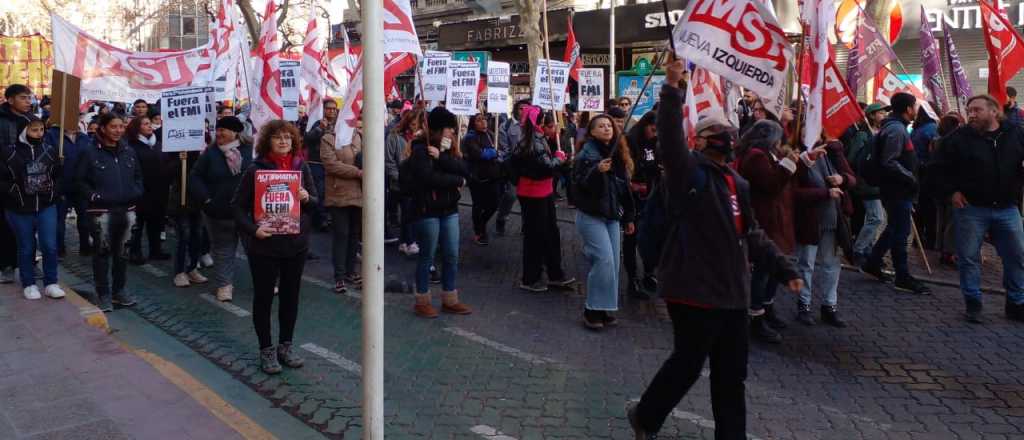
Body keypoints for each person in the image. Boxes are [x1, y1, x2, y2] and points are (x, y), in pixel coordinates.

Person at [627, 58, 802, 439]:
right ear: (700, 141)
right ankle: (645, 415)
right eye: (715, 130)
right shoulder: (687, 172)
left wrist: (783, 268)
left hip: (733, 294)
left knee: (731, 374)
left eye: (727, 129)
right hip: (692, 290)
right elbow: (670, 141)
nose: (725, 133)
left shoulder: (736, 182)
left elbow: (751, 233)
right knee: (688, 364)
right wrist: (673, 88)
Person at [232, 120, 317, 375]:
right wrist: (254, 230)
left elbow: (316, 203)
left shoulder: (301, 168)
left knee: (291, 298)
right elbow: (236, 207)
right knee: (264, 298)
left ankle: (286, 346)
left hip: (295, 245)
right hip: (265, 246)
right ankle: (266, 349)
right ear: (267, 140)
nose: (283, 142)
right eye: (278, 138)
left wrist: (306, 198)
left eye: (288, 138)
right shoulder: (255, 170)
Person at [933, 94, 1024, 324]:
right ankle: (973, 301)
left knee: (1016, 255)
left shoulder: (1015, 133)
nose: (971, 114)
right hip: (971, 208)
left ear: (994, 111)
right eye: (969, 110)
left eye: (977, 110)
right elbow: (937, 168)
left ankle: (1016, 302)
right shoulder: (958, 138)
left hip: (1007, 207)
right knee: (968, 257)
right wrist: (952, 191)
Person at [402, 107, 472, 318]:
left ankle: (450, 298)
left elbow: (463, 168)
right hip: (428, 211)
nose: (452, 132)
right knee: (427, 256)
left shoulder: (446, 149)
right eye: (449, 128)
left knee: (451, 255)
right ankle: (422, 300)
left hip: (449, 209)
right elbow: (429, 179)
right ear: (438, 130)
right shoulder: (420, 149)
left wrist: (442, 157)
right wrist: (457, 181)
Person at [733, 119, 799, 343]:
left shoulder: (762, 154)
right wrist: (788, 164)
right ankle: (756, 314)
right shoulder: (756, 156)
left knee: (769, 268)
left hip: (773, 218)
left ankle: (766, 307)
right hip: (765, 219)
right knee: (763, 269)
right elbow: (771, 184)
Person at [860, 92, 931, 295]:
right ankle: (902, 276)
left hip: (898, 188)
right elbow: (889, 161)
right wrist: (910, 177)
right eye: (914, 106)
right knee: (901, 233)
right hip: (897, 189)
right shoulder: (896, 130)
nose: (916, 110)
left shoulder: (895, 127)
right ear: (908, 109)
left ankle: (873, 263)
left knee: (894, 228)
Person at [74, 113, 144, 312]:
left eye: (121, 126)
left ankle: (119, 290)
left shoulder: (129, 151)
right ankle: (103, 293)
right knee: (102, 253)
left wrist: (136, 192)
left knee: (122, 254)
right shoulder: (89, 152)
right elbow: (79, 181)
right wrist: (94, 196)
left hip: (127, 210)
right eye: (114, 126)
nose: (118, 130)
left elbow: (138, 176)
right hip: (101, 212)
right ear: (103, 128)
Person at [573, 112, 636, 329]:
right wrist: (596, 172)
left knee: (613, 264)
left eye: (609, 125)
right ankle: (592, 310)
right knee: (604, 260)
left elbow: (624, 190)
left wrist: (629, 216)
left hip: (611, 216)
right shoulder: (586, 155)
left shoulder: (618, 153)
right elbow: (577, 187)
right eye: (601, 126)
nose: (607, 128)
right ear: (591, 131)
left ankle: (605, 307)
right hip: (591, 215)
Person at [511, 107, 574, 293]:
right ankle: (531, 277)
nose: (554, 128)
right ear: (540, 125)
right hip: (533, 194)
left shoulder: (538, 139)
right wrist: (558, 158)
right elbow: (547, 166)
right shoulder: (532, 142)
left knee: (550, 234)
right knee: (536, 237)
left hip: (543, 192)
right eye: (551, 125)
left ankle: (554, 274)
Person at [0, 119, 65, 300]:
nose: (39, 133)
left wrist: (54, 192)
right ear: (23, 131)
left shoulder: (50, 150)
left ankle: (51, 282)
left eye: (41, 129)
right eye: (34, 130)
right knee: (26, 247)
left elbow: (59, 176)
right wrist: (14, 191)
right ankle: (28, 283)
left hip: (46, 206)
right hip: (19, 208)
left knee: (50, 246)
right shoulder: (9, 153)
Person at [793, 140, 856, 327]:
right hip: (809, 219)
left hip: (832, 218)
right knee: (806, 263)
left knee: (832, 264)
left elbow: (852, 179)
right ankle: (803, 304)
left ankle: (829, 305)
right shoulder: (798, 153)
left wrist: (842, 179)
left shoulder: (832, 151)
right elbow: (794, 192)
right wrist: (824, 193)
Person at [189, 116, 252, 302]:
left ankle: (266, 281)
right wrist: (207, 199)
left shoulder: (251, 152)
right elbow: (195, 177)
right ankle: (225, 286)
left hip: (247, 213)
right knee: (223, 250)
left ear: (235, 133)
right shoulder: (210, 154)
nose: (219, 133)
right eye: (217, 130)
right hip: (219, 212)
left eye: (223, 130)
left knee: (256, 250)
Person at [320, 116, 363, 294]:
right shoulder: (328, 138)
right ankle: (339, 276)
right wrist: (357, 171)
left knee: (354, 234)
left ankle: (350, 271)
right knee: (341, 234)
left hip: (359, 193)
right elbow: (331, 165)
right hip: (338, 193)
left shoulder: (357, 136)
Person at [124, 115, 171, 264]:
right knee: (138, 223)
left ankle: (155, 250)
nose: (149, 126)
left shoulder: (159, 144)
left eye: (149, 123)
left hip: (159, 190)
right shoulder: (131, 146)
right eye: (145, 124)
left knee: (156, 222)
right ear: (137, 127)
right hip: (141, 191)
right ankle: (135, 251)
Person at [845, 103, 888, 266]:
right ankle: (859, 249)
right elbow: (852, 158)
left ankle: (868, 249)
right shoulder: (863, 135)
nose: (884, 115)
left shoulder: (880, 133)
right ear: (871, 116)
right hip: (866, 183)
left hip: (877, 183)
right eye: (881, 113)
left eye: (885, 113)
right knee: (877, 217)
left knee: (872, 217)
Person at [0, 84, 35, 283]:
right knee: (5, 225)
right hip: (4, 180)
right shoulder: (2, 120)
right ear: (10, 99)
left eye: (29, 98)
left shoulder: (32, 120)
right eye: (23, 98)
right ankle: (6, 264)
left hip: (29, 179)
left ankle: (28, 263)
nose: (28, 102)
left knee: (28, 224)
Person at [624, 111, 659, 299]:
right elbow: (625, 169)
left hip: (651, 194)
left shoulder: (656, 142)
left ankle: (649, 273)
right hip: (633, 197)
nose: (655, 133)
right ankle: (632, 279)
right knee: (632, 237)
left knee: (650, 236)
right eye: (653, 129)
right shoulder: (630, 141)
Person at [44, 122, 93, 256]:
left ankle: (85, 246)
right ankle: (59, 248)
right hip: (61, 184)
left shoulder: (84, 138)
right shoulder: (51, 136)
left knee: (84, 217)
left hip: (81, 185)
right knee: (59, 219)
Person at [385, 109, 422, 256]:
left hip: (418, 183)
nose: (415, 127)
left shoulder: (421, 138)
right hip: (401, 183)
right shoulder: (394, 137)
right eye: (413, 124)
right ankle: (410, 241)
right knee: (407, 211)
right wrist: (399, 177)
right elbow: (388, 161)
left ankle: (403, 242)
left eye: (418, 125)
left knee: (413, 212)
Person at [169, 150, 207, 288]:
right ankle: (179, 271)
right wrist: (180, 160)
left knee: (197, 235)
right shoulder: (173, 151)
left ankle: (192, 268)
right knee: (183, 236)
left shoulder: (199, 153)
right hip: (180, 201)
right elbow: (169, 173)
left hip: (196, 201)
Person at [463, 113, 501, 245]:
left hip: (492, 176)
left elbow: (499, 150)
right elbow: (480, 154)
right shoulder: (470, 137)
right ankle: (479, 231)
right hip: (477, 178)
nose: (484, 122)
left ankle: (482, 223)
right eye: (479, 120)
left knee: (494, 204)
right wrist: (493, 152)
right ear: (473, 122)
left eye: (485, 119)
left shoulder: (491, 134)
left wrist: (496, 153)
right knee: (478, 205)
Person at [303, 100, 339, 233]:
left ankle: (327, 217)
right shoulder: (316, 123)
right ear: (323, 110)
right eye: (329, 109)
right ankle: (319, 220)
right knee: (319, 192)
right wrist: (320, 129)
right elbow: (307, 140)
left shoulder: (338, 125)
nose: (332, 111)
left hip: (333, 163)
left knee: (330, 192)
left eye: (334, 109)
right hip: (317, 163)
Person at [496, 100, 531, 236]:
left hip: (530, 167)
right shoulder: (506, 126)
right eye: (521, 108)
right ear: (516, 109)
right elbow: (504, 149)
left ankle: (526, 224)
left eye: (527, 108)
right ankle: (501, 218)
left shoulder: (532, 126)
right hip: (514, 167)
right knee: (511, 195)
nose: (523, 111)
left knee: (527, 198)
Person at [911, 107, 939, 250]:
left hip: (917, 171)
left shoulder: (917, 129)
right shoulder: (932, 128)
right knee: (930, 208)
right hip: (928, 171)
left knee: (920, 206)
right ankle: (930, 239)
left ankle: (918, 238)